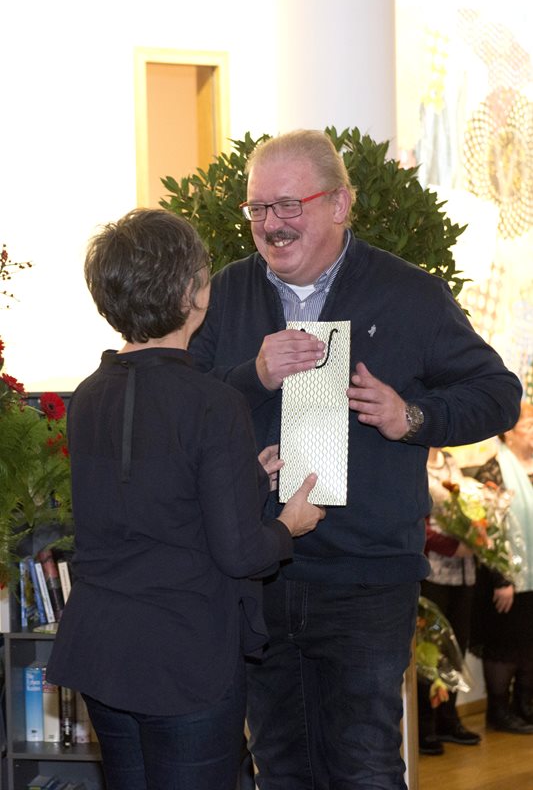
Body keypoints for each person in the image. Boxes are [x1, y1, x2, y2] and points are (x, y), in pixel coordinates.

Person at [189, 129, 522, 789]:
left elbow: (497, 395)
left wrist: (410, 417)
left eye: (289, 205)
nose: (271, 224)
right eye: (258, 209)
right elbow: (184, 405)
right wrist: (253, 374)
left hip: (366, 579)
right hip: (257, 573)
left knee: (364, 767)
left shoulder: (409, 296)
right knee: (280, 765)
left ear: (340, 203)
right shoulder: (224, 296)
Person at [46, 208, 325, 790]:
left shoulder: (88, 396)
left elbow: (145, 498)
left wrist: (243, 478)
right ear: (194, 293)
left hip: (103, 649)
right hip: (184, 656)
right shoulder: (211, 402)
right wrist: (289, 524)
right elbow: (241, 554)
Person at [470, 401, 533, 735]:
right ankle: (498, 711)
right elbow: (487, 530)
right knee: (505, 645)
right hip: (506, 578)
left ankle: (526, 705)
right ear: (509, 433)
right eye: (529, 425)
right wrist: (502, 578)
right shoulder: (494, 470)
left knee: (530, 644)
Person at [418, 447, 480, 755]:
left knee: (458, 647)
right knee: (430, 651)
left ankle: (448, 717)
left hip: (464, 573)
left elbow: (471, 510)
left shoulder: (452, 462)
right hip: (433, 573)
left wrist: (480, 532)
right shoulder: (416, 460)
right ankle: (425, 724)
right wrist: (452, 546)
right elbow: (417, 522)